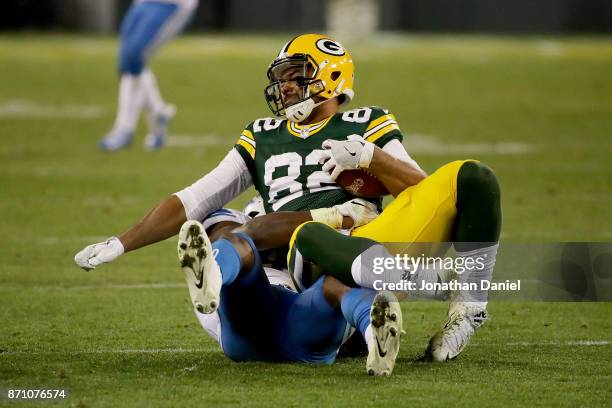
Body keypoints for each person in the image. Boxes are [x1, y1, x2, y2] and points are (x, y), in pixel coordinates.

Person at [99, 0, 199, 151]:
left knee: (134, 58)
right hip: (143, 3)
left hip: (171, 4)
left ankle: (125, 129)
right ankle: (158, 112)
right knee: (127, 62)